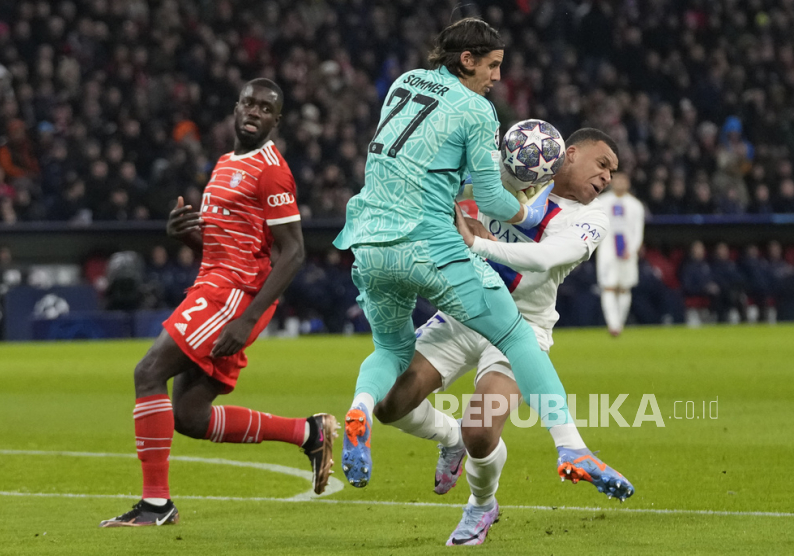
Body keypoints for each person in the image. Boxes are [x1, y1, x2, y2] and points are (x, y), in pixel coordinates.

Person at [334, 18, 571, 500]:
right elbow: (493, 197)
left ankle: (361, 406)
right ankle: (571, 445)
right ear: (467, 60)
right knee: (513, 333)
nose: (498, 77)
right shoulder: (477, 110)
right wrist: (525, 206)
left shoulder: (402, 83)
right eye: (493, 65)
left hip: (367, 240)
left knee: (390, 353)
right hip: (426, 242)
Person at [373, 127, 634, 546]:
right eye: (602, 164)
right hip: (464, 313)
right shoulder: (512, 171)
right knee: (390, 407)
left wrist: (477, 244)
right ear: (568, 153)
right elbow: (441, 179)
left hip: (522, 326)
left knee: (481, 429)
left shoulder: (591, 218)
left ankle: (481, 504)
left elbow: (545, 258)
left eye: (612, 172)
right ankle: (449, 437)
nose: (606, 178)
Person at [100, 79, 338, 528]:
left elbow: (294, 252)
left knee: (148, 373)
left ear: (276, 121)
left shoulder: (271, 170)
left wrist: (247, 317)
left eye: (266, 108)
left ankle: (155, 506)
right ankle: (308, 433)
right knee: (188, 416)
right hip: (213, 283)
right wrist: (185, 233)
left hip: (233, 294)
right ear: (235, 108)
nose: (254, 111)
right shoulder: (226, 163)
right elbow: (225, 244)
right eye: (249, 103)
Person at [595, 172, 645, 336]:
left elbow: (638, 230)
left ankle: (620, 322)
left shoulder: (635, 205)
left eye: (624, 180)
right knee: (608, 286)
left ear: (628, 183)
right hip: (607, 250)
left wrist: (632, 249)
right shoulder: (601, 202)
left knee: (624, 288)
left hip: (627, 251)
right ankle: (613, 325)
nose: (620, 183)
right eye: (617, 180)